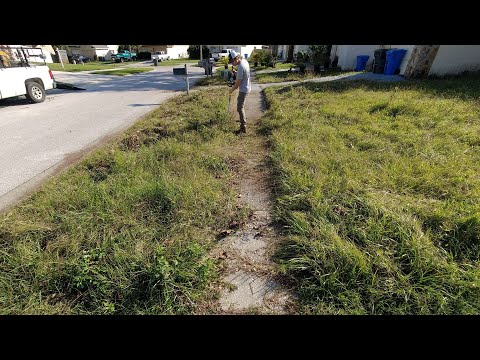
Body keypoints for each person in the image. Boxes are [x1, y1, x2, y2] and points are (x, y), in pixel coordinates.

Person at [228, 50, 250, 134]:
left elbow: (237, 83)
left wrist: (231, 90)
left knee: (239, 108)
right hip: (247, 86)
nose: (232, 64)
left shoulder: (240, 67)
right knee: (241, 107)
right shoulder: (244, 61)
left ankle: (243, 127)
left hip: (243, 89)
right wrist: (236, 73)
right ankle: (242, 123)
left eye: (232, 62)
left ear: (236, 58)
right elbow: (244, 74)